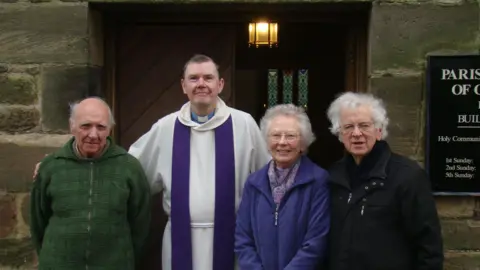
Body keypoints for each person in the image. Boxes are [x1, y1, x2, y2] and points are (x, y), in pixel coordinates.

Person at [128, 54, 271, 270]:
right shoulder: (166, 128)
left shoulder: (243, 124)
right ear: (183, 86)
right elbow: (134, 172)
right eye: (194, 78)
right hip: (180, 238)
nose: (201, 84)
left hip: (232, 236)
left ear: (220, 84)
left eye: (208, 77)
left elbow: (267, 176)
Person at [325, 92, 443, 270]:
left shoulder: (408, 176)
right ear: (339, 134)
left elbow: (429, 247)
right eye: (348, 127)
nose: (356, 133)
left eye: (364, 125)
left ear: (379, 131)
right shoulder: (333, 176)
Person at [30, 97, 151, 270]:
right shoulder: (51, 167)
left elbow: (140, 224)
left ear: (110, 129)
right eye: (85, 126)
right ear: (72, 126)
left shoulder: (128, 168)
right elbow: (38, 223)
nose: (93, 134)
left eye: (101, 127)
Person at [234, 104, 330, 270]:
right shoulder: (254, 182)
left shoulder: (318, 181)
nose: (282, 142)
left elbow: (316, 241)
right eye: (276, 135)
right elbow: (243, 238)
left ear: (303, 142)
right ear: (266, 140)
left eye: (291, 136)